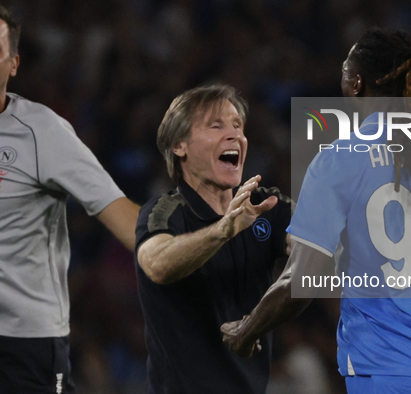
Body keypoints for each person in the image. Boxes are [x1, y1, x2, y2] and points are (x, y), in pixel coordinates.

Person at [221, 28, 411, 394]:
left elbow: (300, 282)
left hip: (386, 373)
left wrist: (246, 330)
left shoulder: (340, 159)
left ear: (355, 82)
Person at [0, 6, 140, 393]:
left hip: (26, 344)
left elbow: (126, 220)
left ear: (13, 64)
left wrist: (200, 245)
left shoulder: (43, 131)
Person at [134, 83, 292, 393]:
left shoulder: (267, 206)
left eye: (237, 126)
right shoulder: (165, 210)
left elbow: (319, 249)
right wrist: (223, 230)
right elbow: (156, 264)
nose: (234, 135)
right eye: (216, 125)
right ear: (180, 145)